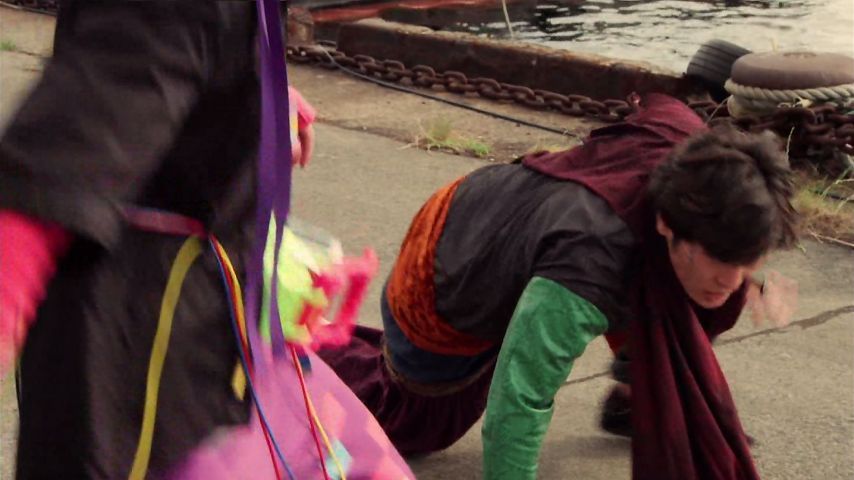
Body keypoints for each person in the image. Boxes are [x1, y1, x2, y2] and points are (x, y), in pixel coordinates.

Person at [317, 93, 798, 479]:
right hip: (447, 263)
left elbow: (664, 110)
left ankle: (631, 401)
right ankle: (304, 360)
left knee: (685, 301)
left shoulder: (704, 168)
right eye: (720, 261)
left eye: (746, 262)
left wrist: (740, 279)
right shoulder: (587, 264)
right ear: (667, 225)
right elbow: (520, 399)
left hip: (528, 222)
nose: (733, 281)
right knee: (416, 421)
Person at [0, 2, 317, 477]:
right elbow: (53, 175)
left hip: (188, 314)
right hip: (129, 330)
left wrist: (258, 99)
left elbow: (178, 51)